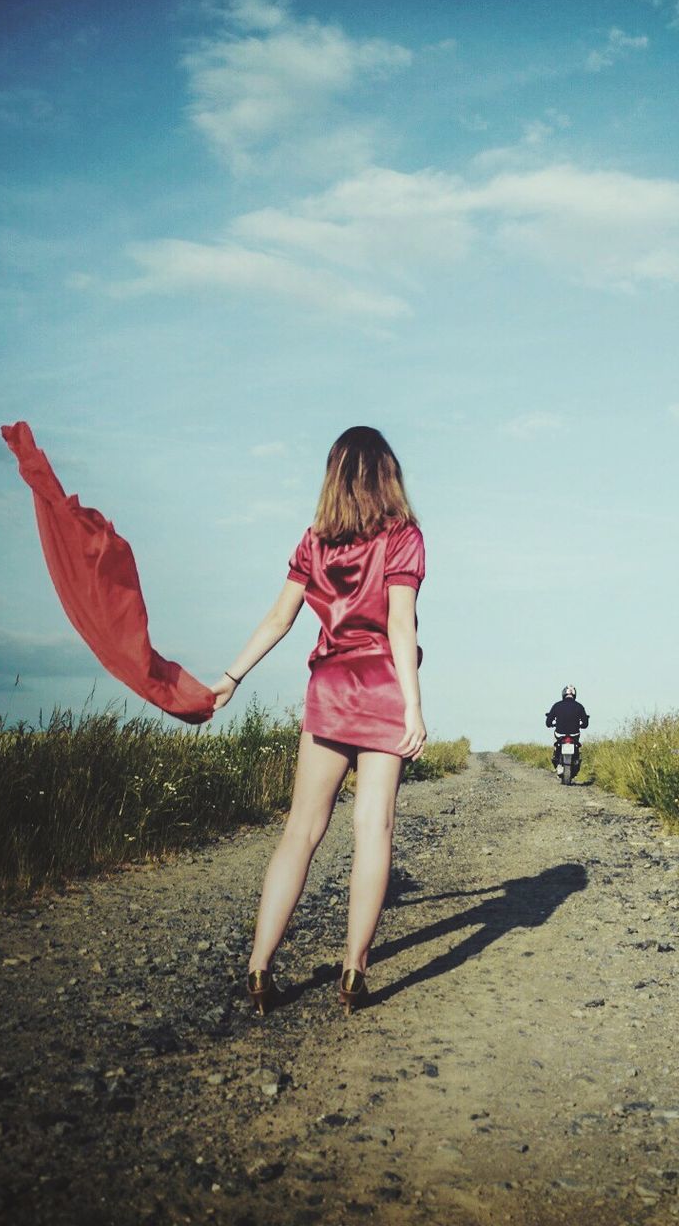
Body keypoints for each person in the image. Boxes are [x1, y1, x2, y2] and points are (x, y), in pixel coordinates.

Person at [211, 426, 426, 1016]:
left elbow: (280, 618)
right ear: (388, 473)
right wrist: (413, 705)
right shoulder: (404, 537)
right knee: (373, 829)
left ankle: (259, 967)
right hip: (382, 689)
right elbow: (401, 626)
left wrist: (231, 677)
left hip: (329, 693)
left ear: (333, 475)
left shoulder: (314, 541)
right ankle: (354, 971)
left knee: (300, 832)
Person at [546, 685, 589, 771]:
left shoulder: (557, 705)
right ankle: (575, 759)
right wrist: (581, 725)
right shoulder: (579, 706)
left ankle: (556, 756)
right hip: (574, 733)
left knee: (556, 744)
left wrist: (551, 724)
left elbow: (548, 722)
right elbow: (585, 723)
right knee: (577, 746)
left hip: (559, 733)